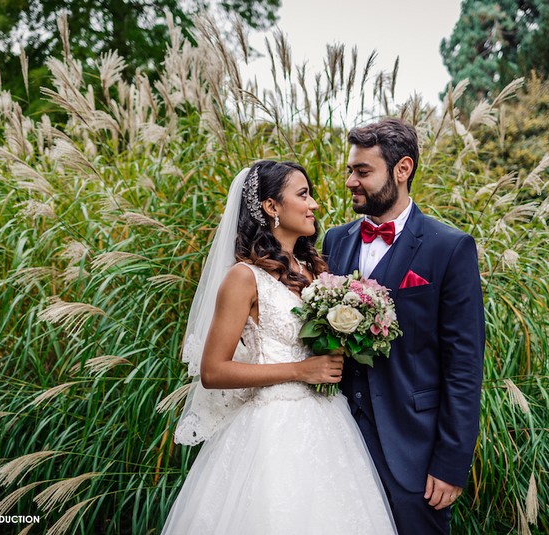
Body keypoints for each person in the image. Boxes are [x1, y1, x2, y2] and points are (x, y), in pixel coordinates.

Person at [163, 160, 397, 534]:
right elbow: (213, 371)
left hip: (329, 426)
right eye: (303, 194)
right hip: (270, 434)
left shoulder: (316, 271)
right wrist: (300, 371)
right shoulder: (243, 278)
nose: (314, 205)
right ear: (272, 207)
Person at [322, 119, 485, 534]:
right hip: (337, 439)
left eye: (362, 172)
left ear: (403, 169)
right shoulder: (334, 240)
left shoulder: (450, 247)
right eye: (349, 170)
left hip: (414, 452)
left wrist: (451, 463)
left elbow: (464, 365)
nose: (350, 182)